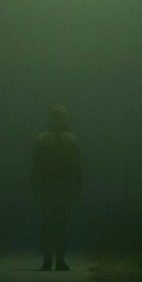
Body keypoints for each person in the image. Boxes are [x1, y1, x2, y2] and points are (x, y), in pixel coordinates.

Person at [31, 104, 82, 271]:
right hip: (65, 186)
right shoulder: (72, 139)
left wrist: (35, 186)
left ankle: (47, 261)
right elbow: (78, 166)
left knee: (48, 224)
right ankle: (60, 260)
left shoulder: (42, 138)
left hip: (47, 186)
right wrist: (78, 188)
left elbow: (36, 165)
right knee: (62, 224)